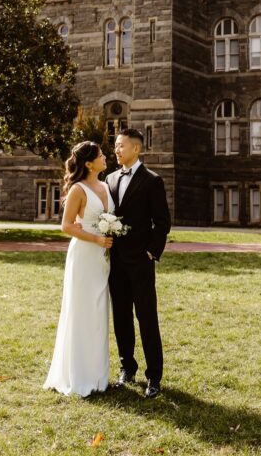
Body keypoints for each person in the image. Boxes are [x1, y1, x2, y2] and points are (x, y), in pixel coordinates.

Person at [43, 141, 114, 397]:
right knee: (82, 310)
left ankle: (98, 376)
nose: (106, 157)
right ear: (88, 163)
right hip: (85, 254)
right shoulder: (78, 189)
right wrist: (96, 239)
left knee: (99, 311)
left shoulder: (106, 186)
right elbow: (67, 225)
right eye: (101, 155)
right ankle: (79, 376)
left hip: (103, 256)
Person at [106, 128, 171, 398]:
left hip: (141, 262)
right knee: (121, 317)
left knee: (146, 318)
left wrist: (151, 253)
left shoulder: (152, 181)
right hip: (116, 261)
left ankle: (153, 376)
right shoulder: (109, 179)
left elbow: (163, 223)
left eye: (121, 145)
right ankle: (127, 368)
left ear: (136, 149)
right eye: (116, 145)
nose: (117, 149)